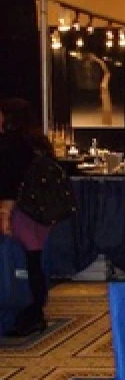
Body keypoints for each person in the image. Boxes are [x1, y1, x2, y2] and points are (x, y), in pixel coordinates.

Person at [0, 98, 55, 337]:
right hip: (40, 211)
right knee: (34, 261)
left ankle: (26, 312)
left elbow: (9, 181)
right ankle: (35, 310)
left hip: (21, 210)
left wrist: (5, 213)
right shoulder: (38, 142)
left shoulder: (11, 144)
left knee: (20, 261)